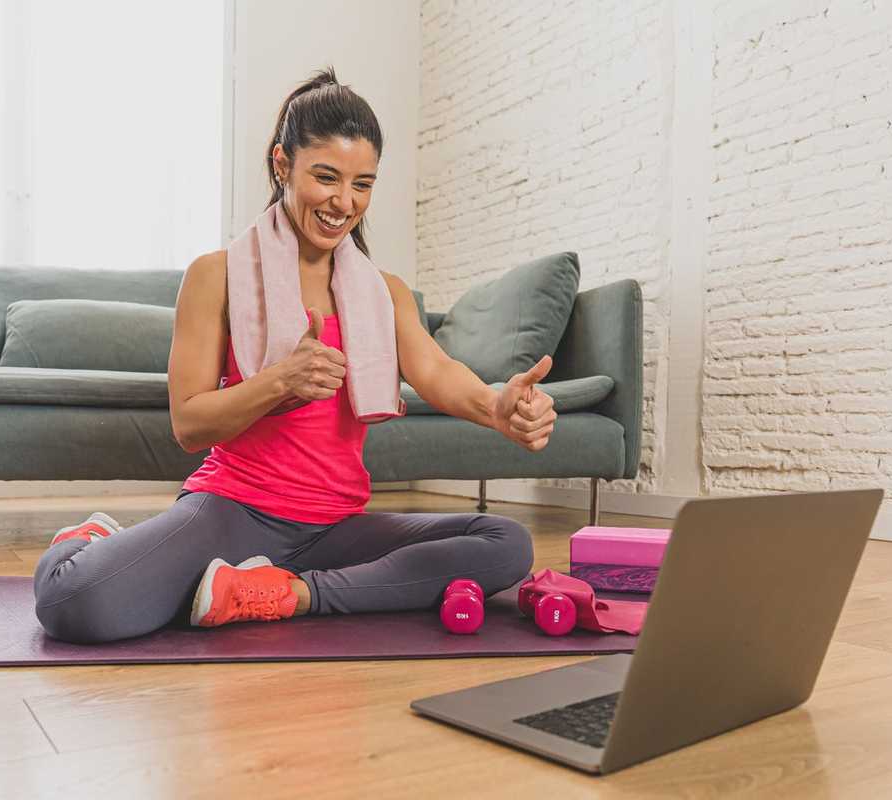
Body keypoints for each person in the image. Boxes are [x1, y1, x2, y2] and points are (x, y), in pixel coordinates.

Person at [32, 67, 557, 644]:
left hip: (335, 528)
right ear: (282, 164)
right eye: (326, 177)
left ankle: (288, 593)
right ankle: (95, 542)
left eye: (363, 184)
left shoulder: (384, 292)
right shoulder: (217, 277)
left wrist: (496, 405)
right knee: (73, 601)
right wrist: (281, 380)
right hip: (233, 510)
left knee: (507, 544)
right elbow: (188, 423)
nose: (344, 202)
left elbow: (435, 372)